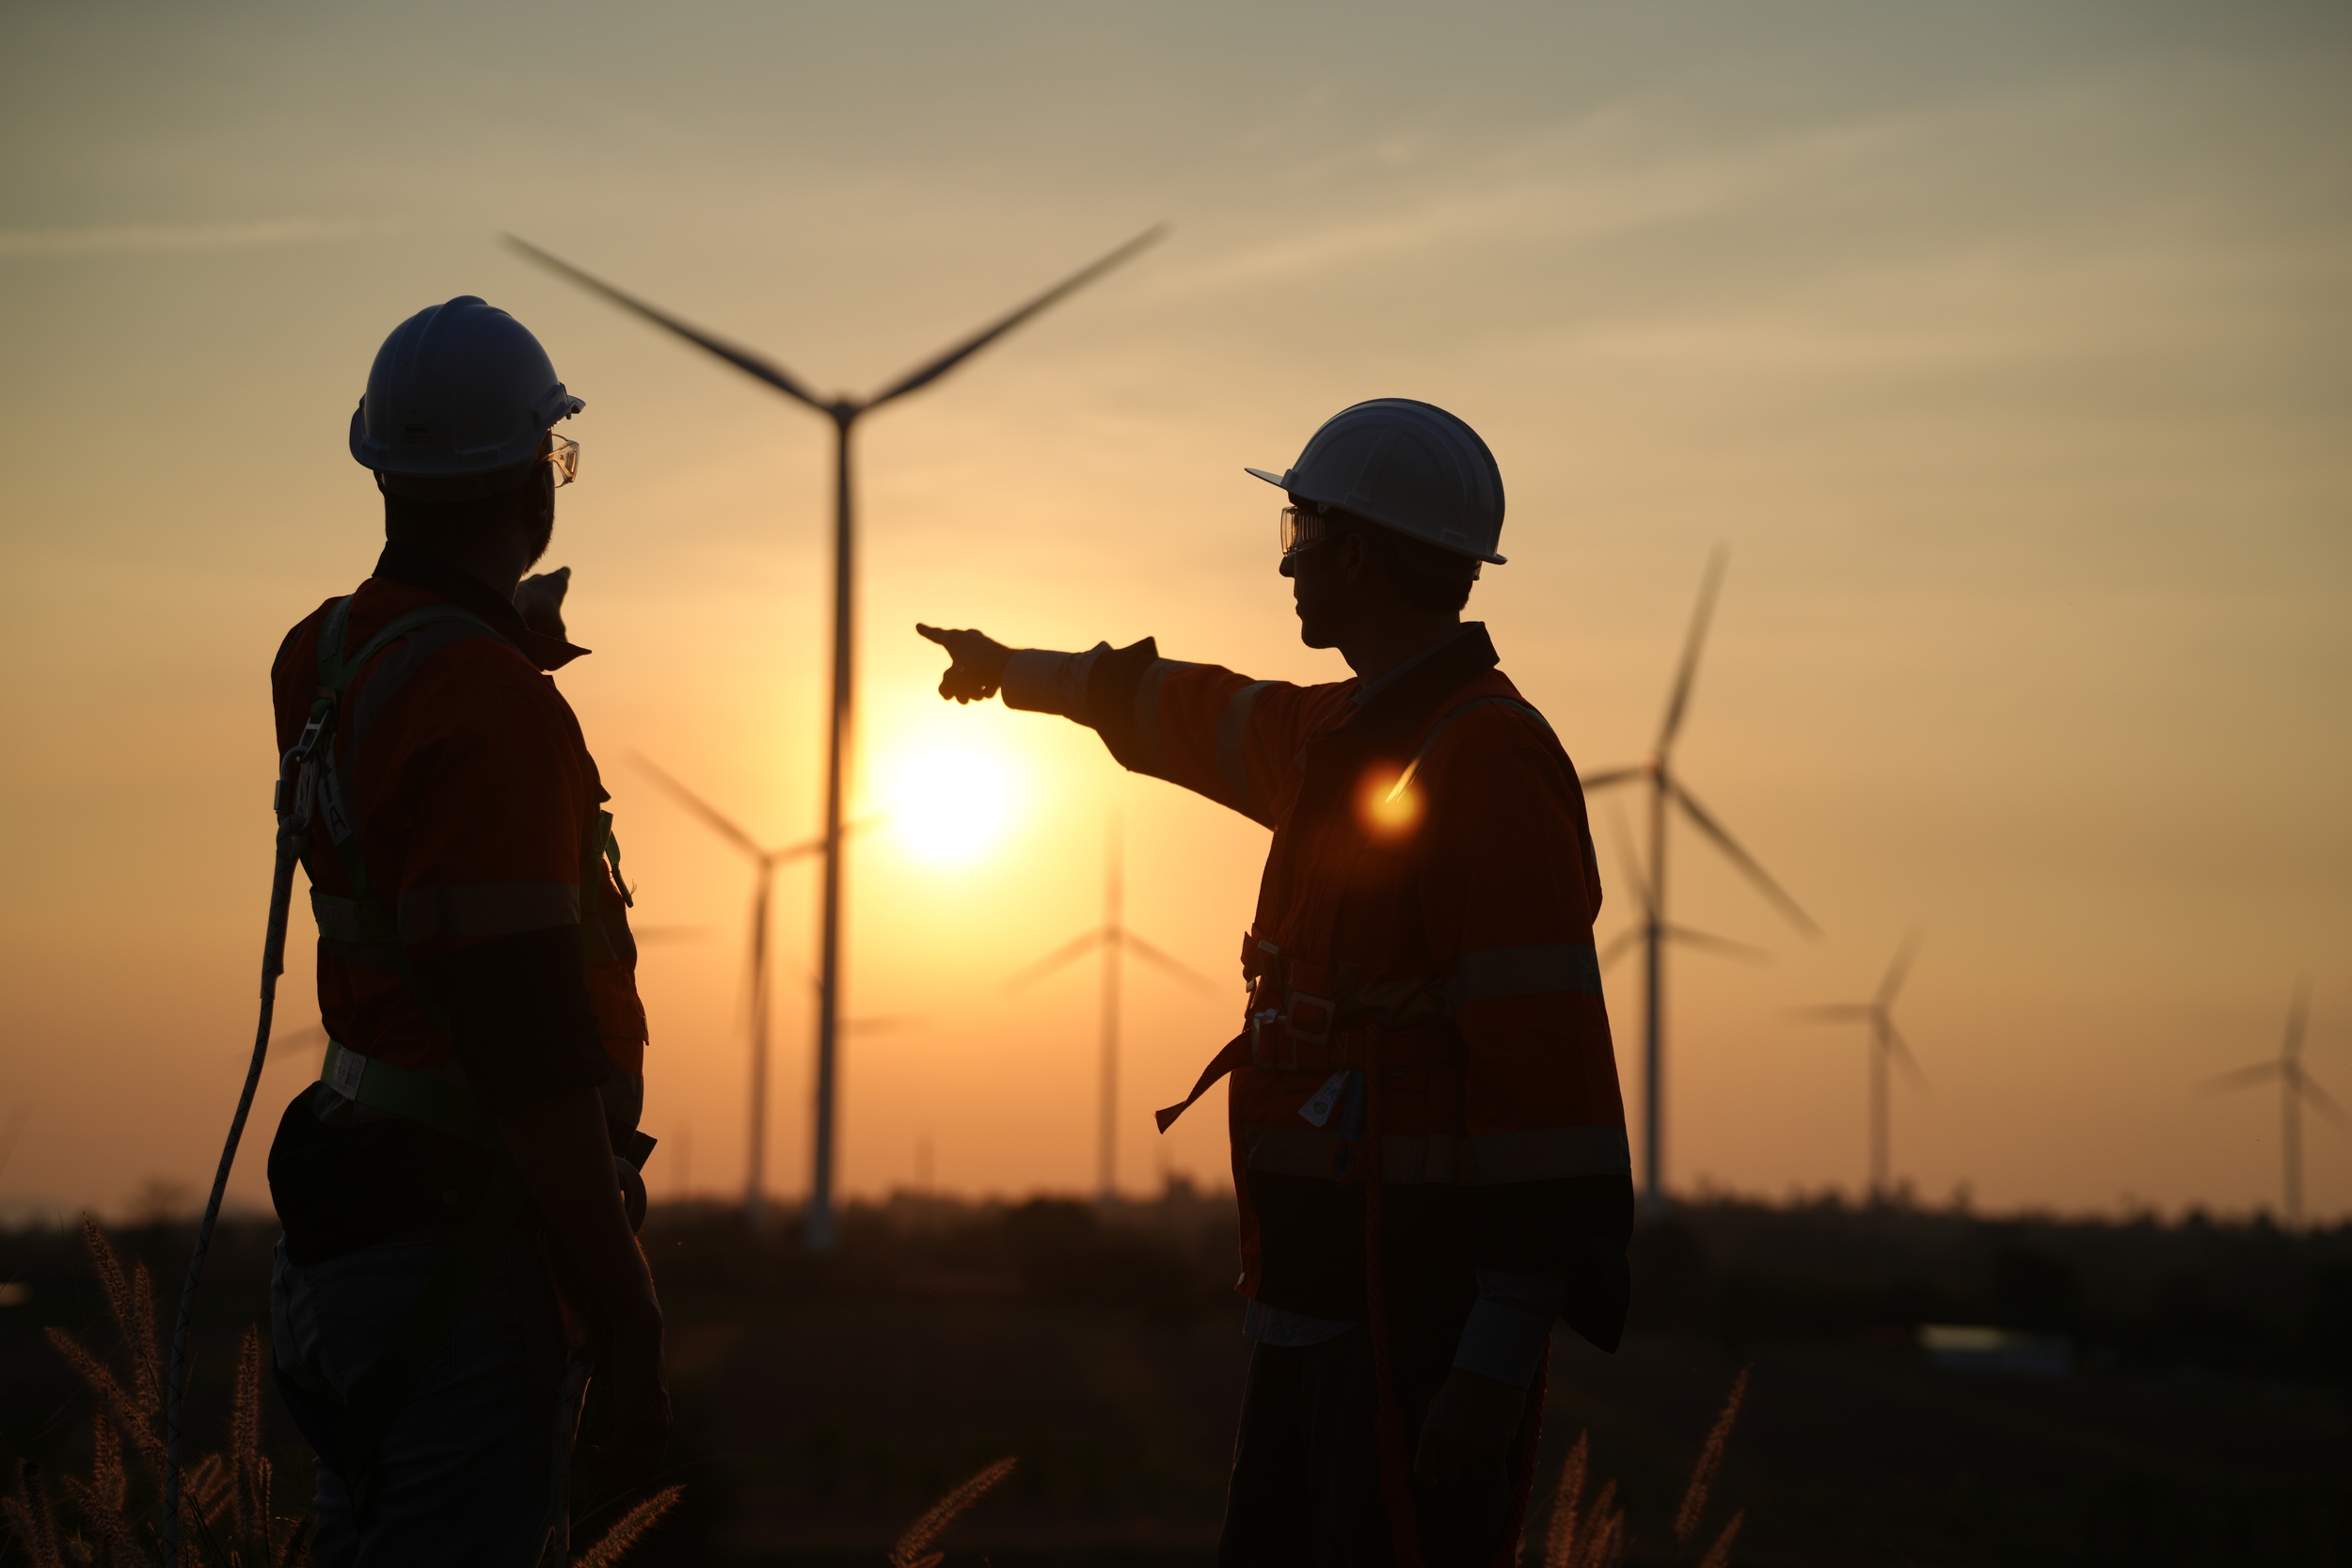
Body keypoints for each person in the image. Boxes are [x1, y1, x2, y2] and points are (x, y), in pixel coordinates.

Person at [919, 399, 1633, 1567]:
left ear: (1355, 551)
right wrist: (1013, 672)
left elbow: (1542, 1075)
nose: (1288, 557)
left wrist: (1493, 1364)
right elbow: (1186, 709)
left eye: (1299, 526)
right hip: (1315, 1289)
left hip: (1418, 1316)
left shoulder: (1483, 759)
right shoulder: (1346, 734)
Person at [265, 296, 670, 1566]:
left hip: (344, 1239)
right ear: (532, 481)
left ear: (384, 471)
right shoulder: (485, 698)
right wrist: (627, 1307)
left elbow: (405, 851)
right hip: (455, 1253)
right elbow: (522, 1041)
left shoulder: (323, 652)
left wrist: (497, 641)